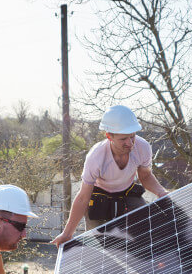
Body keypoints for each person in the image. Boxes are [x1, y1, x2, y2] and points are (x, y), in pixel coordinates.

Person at [51, 105, 168, 247]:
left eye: (132, 136)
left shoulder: (142, 148)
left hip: (127, 192)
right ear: (109, 136)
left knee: (147, 227)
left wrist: (161, 192)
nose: (130, 143)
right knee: (100, 244)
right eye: (123, 139)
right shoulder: (96, 157)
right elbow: (83, 198)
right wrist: (67, 233)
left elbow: (145, 177)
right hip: (99, 196)